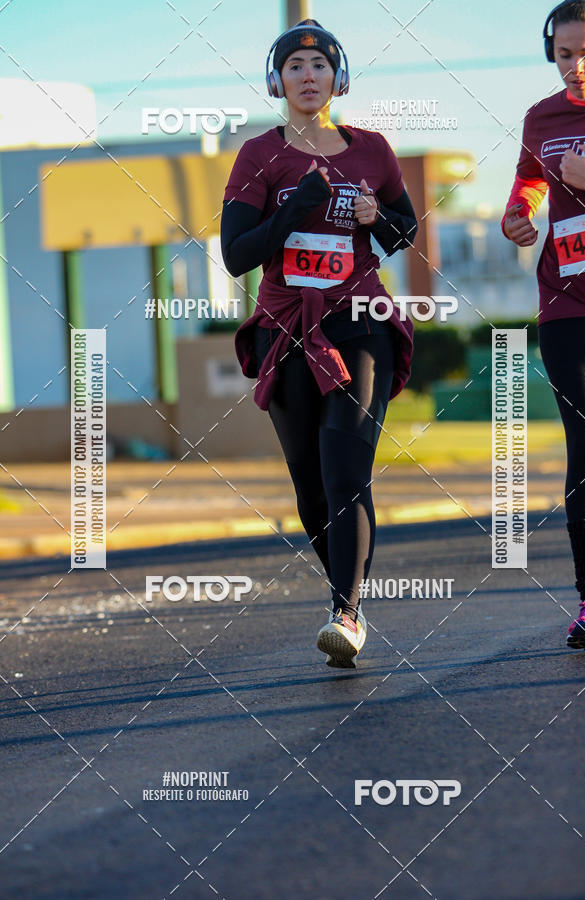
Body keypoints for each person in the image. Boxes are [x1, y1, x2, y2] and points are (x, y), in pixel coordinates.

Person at [220, 19, 418, 667]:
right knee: (310, 487)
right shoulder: (258, 155)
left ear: (340, 77)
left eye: (320, 64)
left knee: (345, 471)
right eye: (296, 65)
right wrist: (290, 212)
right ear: (276, 79)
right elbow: (235, 256)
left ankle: (347, 613)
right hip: (286, 330)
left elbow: (403, 233)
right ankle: (343, 590)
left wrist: (376, 218)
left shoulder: (372, 150)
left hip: (359, 324)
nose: (309, 76)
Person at [503, 0, 585, 650]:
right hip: (569, 302)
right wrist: (518, 212)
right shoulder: (541, 117)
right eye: (566, 53)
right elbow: (528, 182)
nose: (577, 66)